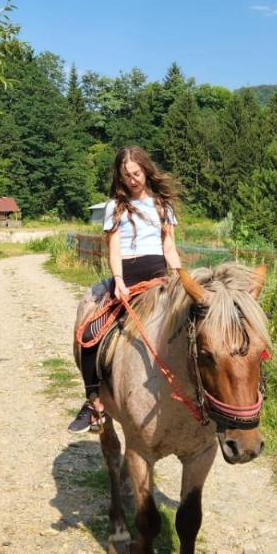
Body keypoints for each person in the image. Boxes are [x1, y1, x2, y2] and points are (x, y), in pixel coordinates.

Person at [69, 145, 183, 433]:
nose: (133, 179)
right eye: (126, 175)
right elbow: (114, 246)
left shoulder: (162, 205)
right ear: (119, 177)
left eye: (137, 173)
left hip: (158, 278)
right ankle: (93, 402)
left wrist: (181, 276)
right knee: (90, 334)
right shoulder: (114, 207)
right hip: (127, 280)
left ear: (145, 170)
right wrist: (118, 281)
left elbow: (169, 245)